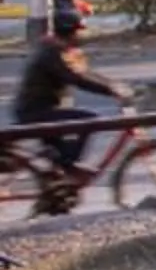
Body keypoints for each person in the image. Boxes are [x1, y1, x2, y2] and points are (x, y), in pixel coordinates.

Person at [16, 13, 126, 195]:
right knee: (90, 120)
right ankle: (69, 169)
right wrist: (111, 90)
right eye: (78, 32)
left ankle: (57, 186)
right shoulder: (52, 52)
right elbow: (76, 78)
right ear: (69, 32)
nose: (81, 36)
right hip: (36, 112)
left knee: (59, 153)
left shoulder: (59, 49)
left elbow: (85, 73)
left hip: (44, 109)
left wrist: (114, 85)